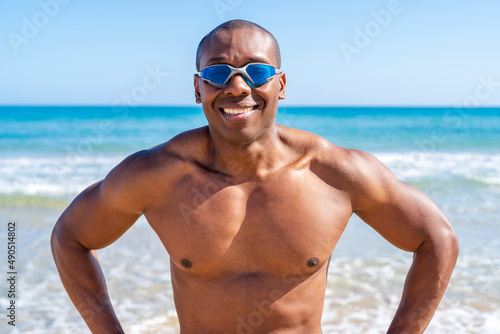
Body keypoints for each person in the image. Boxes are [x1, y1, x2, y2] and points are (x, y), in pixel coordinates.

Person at [51, 19, 459, 333]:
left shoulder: (333, 172)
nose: (238, 86)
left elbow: (436, 238)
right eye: (217, 72)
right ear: (198, 89)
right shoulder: (158, 175)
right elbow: (70, 237)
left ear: (280, 85)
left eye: (258, 72)